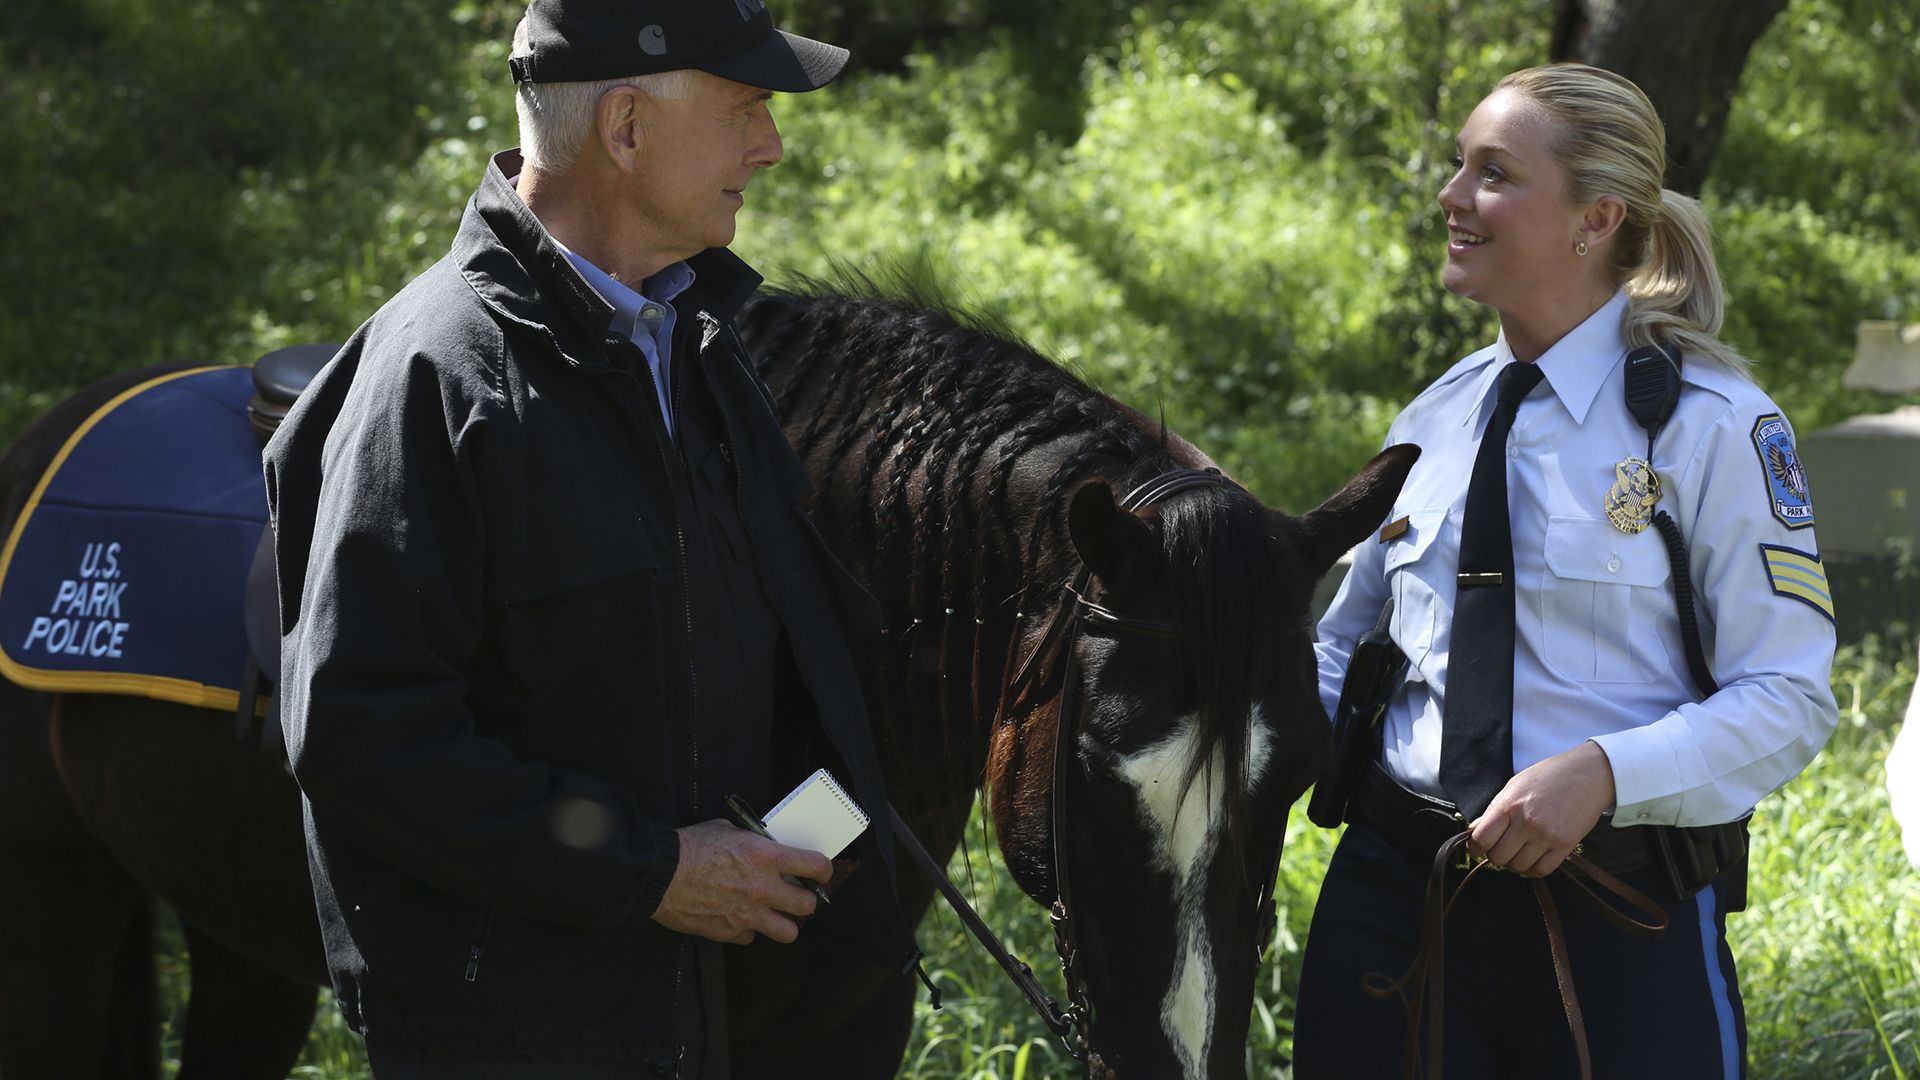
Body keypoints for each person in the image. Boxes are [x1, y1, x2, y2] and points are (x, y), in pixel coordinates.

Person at [264, 2, 918, 1076]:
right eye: (748, 106)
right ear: (625, 128)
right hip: (511, 1036)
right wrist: (650, 871)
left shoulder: (694, 344)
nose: (772, 144)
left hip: (691, 1016)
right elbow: (360, 731)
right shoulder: (435, 380)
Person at [1295, 63, 1838, 1078]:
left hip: (1620, 918)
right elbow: (1342, 647)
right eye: (1461, 167)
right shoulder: (1436, 415)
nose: (1453, 197)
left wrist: (1603, 774)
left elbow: (1790, 698)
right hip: (1396, 907)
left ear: (1596, 217)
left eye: (1493, 173)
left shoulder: (1712, 427)